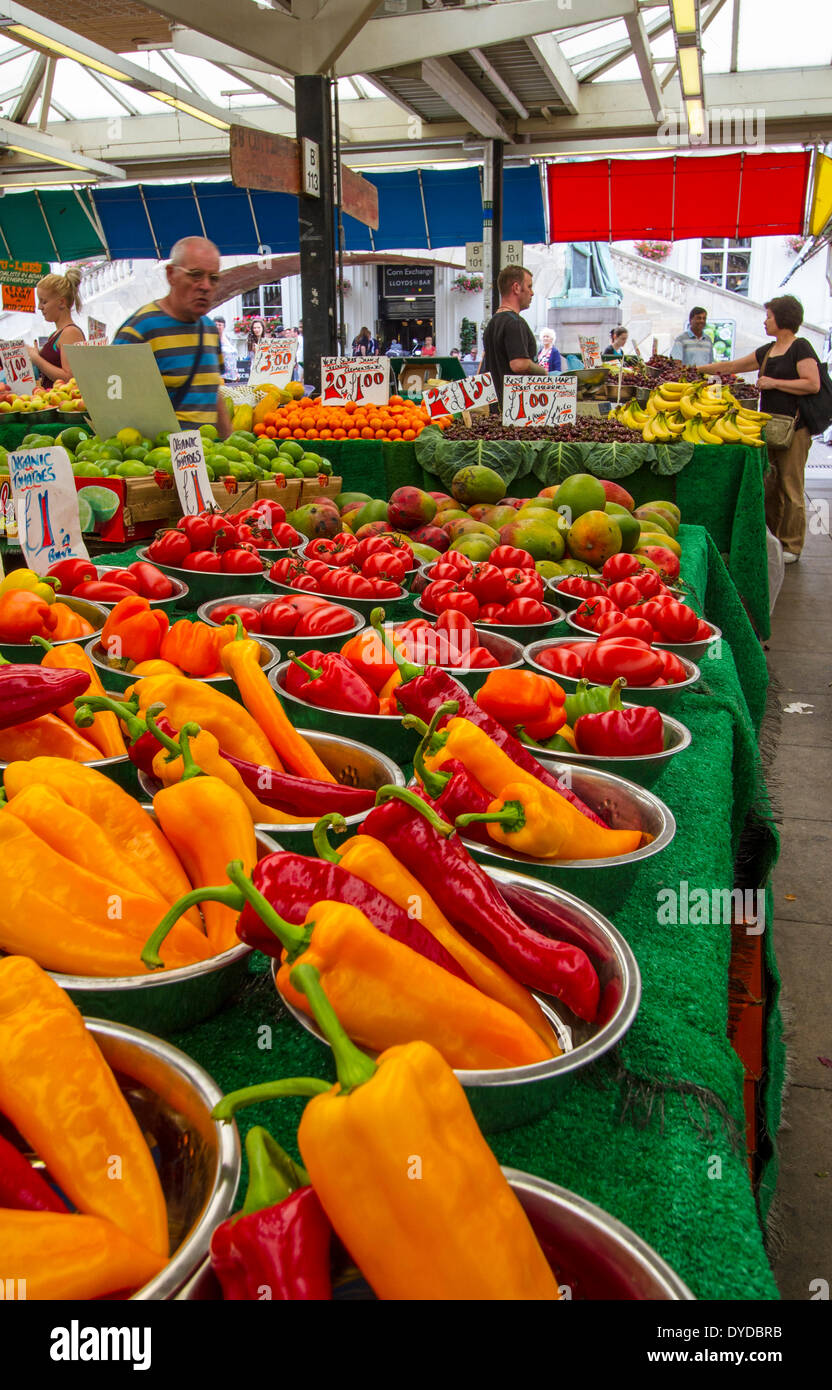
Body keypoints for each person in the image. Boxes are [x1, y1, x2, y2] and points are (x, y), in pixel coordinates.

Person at [702, 294, 821, 563]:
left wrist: (774, 383)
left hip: (795, 427)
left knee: (791, 487)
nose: (765, 321)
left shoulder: (801, 348)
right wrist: (695, 369)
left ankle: (792, 546)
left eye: (768, 315)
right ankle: (773, 540)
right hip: (769, 426)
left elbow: (812, 384)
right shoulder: (768, 350)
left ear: (783, 318)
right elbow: (733, 366)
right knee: (769, 485)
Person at [113, 235, 230, 435]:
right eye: (195, 275)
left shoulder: (210, 329)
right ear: (171, 275)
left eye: (213, 278)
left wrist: (230, 440)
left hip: (209, 460)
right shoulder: (140, 331)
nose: (205, 286)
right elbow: (113, 406)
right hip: (161, 461)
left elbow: (212, 393)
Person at [481, 264, 546, 407]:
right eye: (529, 286)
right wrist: (544, 373)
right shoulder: (515, 323)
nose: (532, 292)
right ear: (516, 288)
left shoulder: (492, 323)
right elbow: (519, 364)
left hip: (495, 405)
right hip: (516, 408)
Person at [26, 269, 86, 384]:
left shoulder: (70, 333)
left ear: (61, 302)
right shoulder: (56, 334)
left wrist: (37, 359)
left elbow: (70, 378)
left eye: (44, 302)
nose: (39, 307)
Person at [214, 316, 238, 384]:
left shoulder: (228, 338)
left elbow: (233, 357)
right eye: (216, 325)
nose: (218, 327)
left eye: (220, 325)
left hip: (232, 376)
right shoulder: (211, 340)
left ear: (224, 326)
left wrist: (236, 372)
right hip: (220, 376)